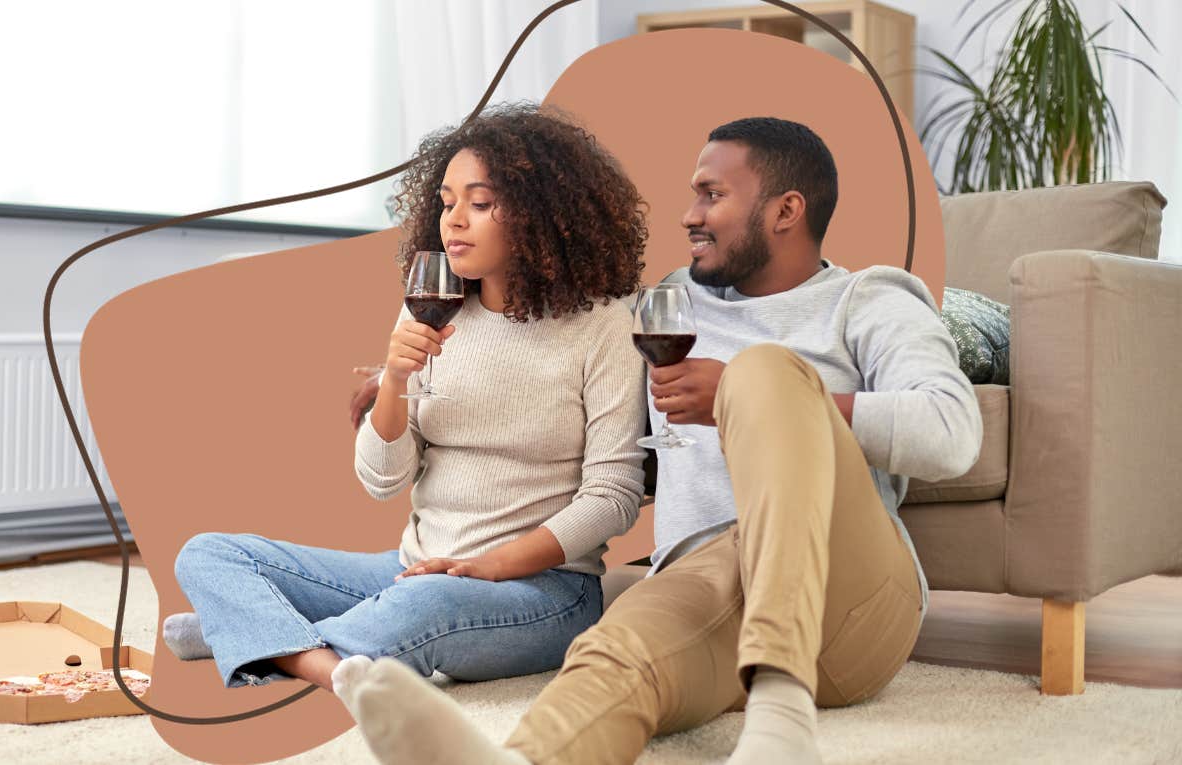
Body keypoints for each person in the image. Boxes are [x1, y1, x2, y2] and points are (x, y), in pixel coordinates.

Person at [331, 116, 983, 764]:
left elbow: (952, 434)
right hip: (707, 584)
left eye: (712, 194)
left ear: (786, 210)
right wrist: (399, 378)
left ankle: (782, 717)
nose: (689, 215)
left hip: (852, 601)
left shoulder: (867, 298)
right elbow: (551, 358)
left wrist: (738, 393)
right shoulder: (664, 306)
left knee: (763, 372)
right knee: (611, 652)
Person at [166, 103, 650, 691]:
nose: (455, 221)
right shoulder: (433, 307)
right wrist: (394, 382)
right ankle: (315, 655)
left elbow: (613, 495)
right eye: (447, 202)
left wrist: (488, 566)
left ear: (545, 213)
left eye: (480, 202)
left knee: (422, 610)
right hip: (410, 568)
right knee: (209, 554)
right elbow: (383, 481)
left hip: (542, 590)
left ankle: (254, 634)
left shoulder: (604, 326)